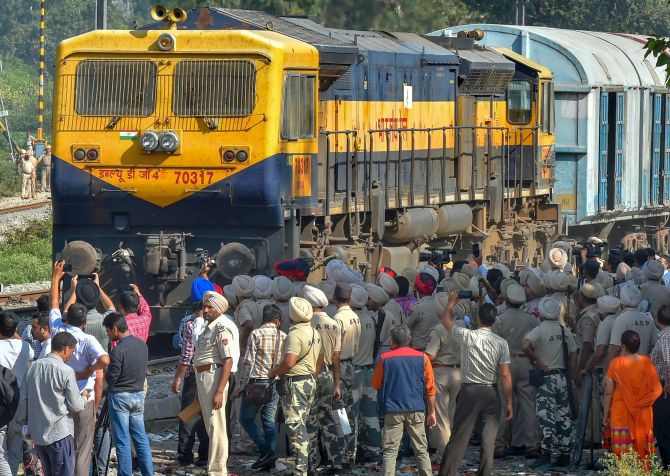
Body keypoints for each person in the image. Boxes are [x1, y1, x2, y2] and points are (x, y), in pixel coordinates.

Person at [437, 295, 513, 476]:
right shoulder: (501, 343)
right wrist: (509, 402)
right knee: (489, 440)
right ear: (494, 321)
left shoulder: (467, 336)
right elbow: (505, 374)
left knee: (459, 436)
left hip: (470, 392)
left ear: (478, 319)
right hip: (491, 393)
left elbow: (446, 321)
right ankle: (484, 472)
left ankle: (448, 472)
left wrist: (451, 305)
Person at [49, 261, 110, 476]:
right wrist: (88, 371)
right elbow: (105, 360)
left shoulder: (58, 330)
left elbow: (55, 306)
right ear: (84, 321)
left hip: (60, 399)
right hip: (83, 398)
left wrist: (57, 278)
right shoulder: (87, 339)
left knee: (63, 447)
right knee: (82, 450)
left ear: (69, 318)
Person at [268, 297, 323, 476]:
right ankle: (308, 465)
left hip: (295, 383)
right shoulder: (315, 332)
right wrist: (312, 376)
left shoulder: (294, 334)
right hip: (309, 381)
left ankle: (300, 470)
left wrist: (274, 372)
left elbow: (289, 362)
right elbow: (321, 359)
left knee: (295, 427)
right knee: (303, 425)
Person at [372, 325, 436, 476]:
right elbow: (430, 388)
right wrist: (432, 412)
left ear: (393, 342)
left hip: (392, 411)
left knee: (390, 452)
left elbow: (375, 384)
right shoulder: (423, 358)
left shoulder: (384, 359)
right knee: (421, 450)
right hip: (416, 409)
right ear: (409, 339)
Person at [522, 297, 578, 468]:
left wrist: (537, 361)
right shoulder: (564, 330)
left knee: (546, 417)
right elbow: (574, 352)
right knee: (564, 416)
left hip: (546, 379)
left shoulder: (539, 330)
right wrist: (572, 373)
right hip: (563, 377)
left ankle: (546, 454)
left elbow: (525, 346)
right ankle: (564, 454)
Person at [25, 332, 88, 476]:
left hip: (39, 434)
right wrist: (84, 397)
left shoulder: (32, 367)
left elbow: (24, 399)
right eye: (72, 352)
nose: (71, 356)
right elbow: (76, 406)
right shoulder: (66, 371)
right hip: (60, 433)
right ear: (66, 349)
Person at [233, 304, 286, 470]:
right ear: (277, 321)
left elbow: (248, 362)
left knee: (245, 419)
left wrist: (241, 385)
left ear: (264, 319)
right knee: (268, 422)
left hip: (257, 384)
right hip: (274, 384)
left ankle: (266, 451)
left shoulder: (256, 334)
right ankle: (268, 458)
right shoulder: (284, 336)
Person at [491, 283, 539, 459]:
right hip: (526, 363)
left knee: (503, 405)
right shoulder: (532, 320)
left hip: (506, 364)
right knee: (528, 405)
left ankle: (499, 446)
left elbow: (494, 345)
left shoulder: (500, 319)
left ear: (507, 300)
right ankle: (532, 445)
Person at [193, 291, 238, 476]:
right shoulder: (209, 326)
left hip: (213, 377)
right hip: (204, 377)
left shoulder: (222, 327)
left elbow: (228, 360)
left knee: (216, 425)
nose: (205, 310)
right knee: (210, 425)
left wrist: (219, 391)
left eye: (210, 307)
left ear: (218, 309)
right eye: (205, 306)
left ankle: (218, 470)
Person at [103, 313, 153, 476]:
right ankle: (148, 473)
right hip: (138, 395)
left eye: (108, 331)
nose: (108, 334)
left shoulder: (118, 351)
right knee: (141, 439)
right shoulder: (142, 345)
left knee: (123, 441)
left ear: (115, 328)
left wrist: (105, 371)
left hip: (120, 398)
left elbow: (112, 379)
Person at [602, 329, 661, 463]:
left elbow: (608, 393)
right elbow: (657, 388)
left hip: (621, 412)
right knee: (642, 450)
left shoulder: (615, 364)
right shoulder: (647, 362)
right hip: (643, 413)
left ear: (623, 346)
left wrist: (605, 416)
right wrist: (643, 402)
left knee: (622, 452)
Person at [302, 284, 343, 471]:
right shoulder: (334, 324)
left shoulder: (304, 323)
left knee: (309, 420)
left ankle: (310, 463)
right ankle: (336, 460)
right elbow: (336, 358)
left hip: (309, 375)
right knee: (329, 419)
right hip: (327, 375)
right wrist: (337, 385)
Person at [424, 295, 463, 461]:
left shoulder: (439, 329)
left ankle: (443, 453)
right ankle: (453, 450)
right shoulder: (462, 326)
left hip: (440, 373)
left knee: (440, 416)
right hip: (458, 373)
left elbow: (430, 356)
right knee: (452, 414)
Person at [171, 301, 209, 467]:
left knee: (188, 415)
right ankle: (205, 456)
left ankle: (185, 455)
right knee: (205, 415)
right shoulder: (218, 324)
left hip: (195, 376)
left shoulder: (191, 325)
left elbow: (186, 357)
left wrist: (177, 378)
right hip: (212, 377)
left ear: (194, 312)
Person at [0, 311, 34, 475]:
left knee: (0, 451)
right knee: (14, 447)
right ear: (15, 329)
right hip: (21, 400)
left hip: (2, 402)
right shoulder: (26, 347)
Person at [352, 285, 382, 463]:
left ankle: (352, 449)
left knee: (351, 414)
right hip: (369, 370)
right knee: (370, 413)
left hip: (354, 371)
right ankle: (374, 447)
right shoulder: (371, 319)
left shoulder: (350, 320)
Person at [332, 283, 361, 467]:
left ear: (335, 298)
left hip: (339, 366)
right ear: (350, 298)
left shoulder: (337, 319)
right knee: (349, 411)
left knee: (339, 410)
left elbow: (335, 352)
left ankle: (343, 454)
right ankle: (351, 452)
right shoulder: (355, 317)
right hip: (351, 364)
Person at [608, 285, 657, 363]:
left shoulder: (622, 319)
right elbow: (655, 344)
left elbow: (615, 349)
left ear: (622, 300)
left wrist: (607, 371)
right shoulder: (648, 319)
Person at [651, 304, 670, 468]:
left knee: (663, 430)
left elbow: (669, 362)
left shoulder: (665, 337)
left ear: (658, 320)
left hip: (664, 389)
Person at [405, 273, 439, 351]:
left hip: (418, 351)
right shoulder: (440, 305)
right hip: (436, 350)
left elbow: (406, 327)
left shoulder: (417, 308)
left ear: (416, 287)